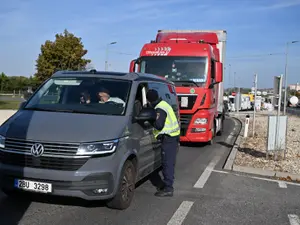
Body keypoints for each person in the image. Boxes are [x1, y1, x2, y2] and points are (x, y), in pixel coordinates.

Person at [146, 89, 180, 197]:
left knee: (167, 163)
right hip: (172, 137)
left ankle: (168, 188)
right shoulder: (163, 104)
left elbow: (159, 125)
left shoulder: (160, 108)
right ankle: (167, 184)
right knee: (169, 163)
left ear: (150, 100)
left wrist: (150, 120)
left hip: (169, 138)